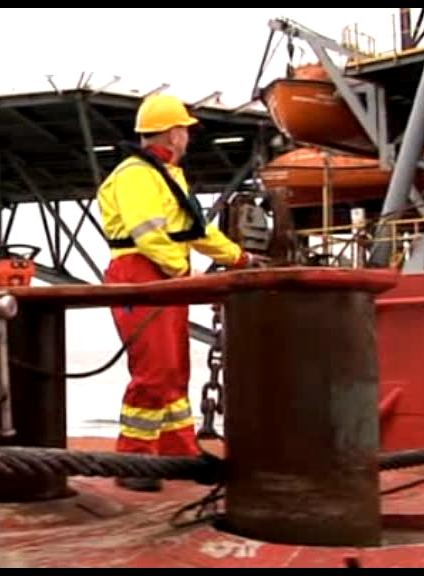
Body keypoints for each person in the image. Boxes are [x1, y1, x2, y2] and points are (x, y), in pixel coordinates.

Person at [96, 93, 266, 492]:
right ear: (173, 134)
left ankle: (179, 452)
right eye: (185, 131)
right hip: (141, 273)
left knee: (173, 370)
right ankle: (134, 462)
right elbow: (147, 232)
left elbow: (195, 231)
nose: (188, 138)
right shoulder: (137, 174)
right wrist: (179, 270)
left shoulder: (165, 174)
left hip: (160, 274)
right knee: (154, 370)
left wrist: (240, 258)